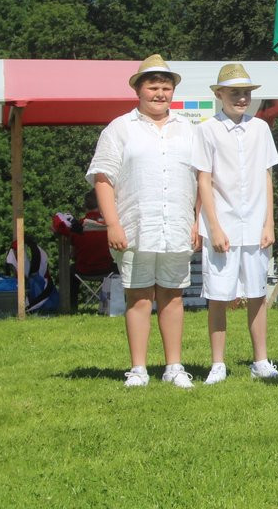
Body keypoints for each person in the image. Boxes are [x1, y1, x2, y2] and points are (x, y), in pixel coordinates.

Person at [86, 54, 197, 388]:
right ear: (138, 89)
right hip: (135, 225)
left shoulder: (189, 129)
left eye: (166, 87)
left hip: (177, 224)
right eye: (153, 87)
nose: (160, 93)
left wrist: (197, 222)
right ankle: (138, 369)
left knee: (173, 295)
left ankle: (174, 367)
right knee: (138, 296)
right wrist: (114, 224)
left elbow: (203, 178)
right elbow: (103, 178)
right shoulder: (120, 128)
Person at [193, 63, 278, 384]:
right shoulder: (207, 130)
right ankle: (218, 363)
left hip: (256, 224)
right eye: (234, 93)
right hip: (223, 225)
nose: (241, 99)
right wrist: (213, 226)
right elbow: (204, 179)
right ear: (219, 95)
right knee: (218, 294)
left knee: (257, 293)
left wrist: (269, 222)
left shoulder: (260, 129)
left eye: (245, 93)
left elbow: (266, 175)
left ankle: (261, 359)